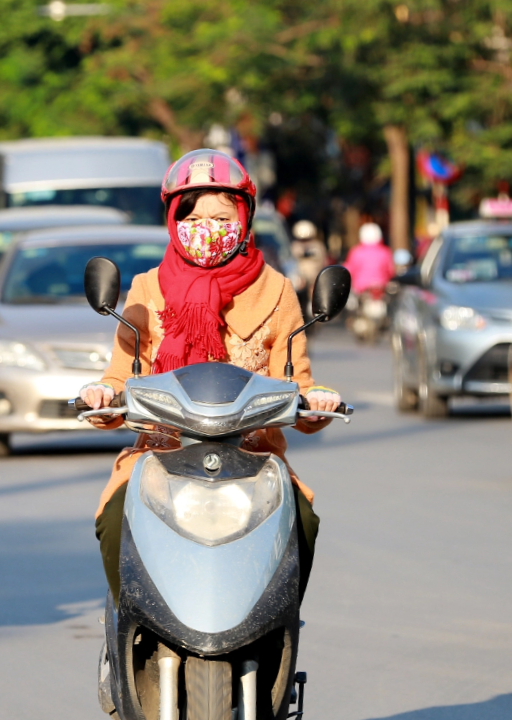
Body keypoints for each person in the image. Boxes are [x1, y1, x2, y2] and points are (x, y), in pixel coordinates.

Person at [77, 150, 340, 602]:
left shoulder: (275, 290)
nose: (206, 227)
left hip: (253, 462)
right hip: (160, 458)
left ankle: (277, 632)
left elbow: (297, 383)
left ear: (245, 217)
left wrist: (317, 403)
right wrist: (101, 396)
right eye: (192, 215)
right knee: (114, 519)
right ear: (173, 221)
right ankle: (128, 628)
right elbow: (120, 378)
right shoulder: (147, 287)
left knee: (303, 520)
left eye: (221, 216)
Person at [345, 222, 395, 294]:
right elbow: (390, 271)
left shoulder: (355, 252)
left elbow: (349, 271)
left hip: (361, 290)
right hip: (381, 289)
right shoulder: (385, 252)